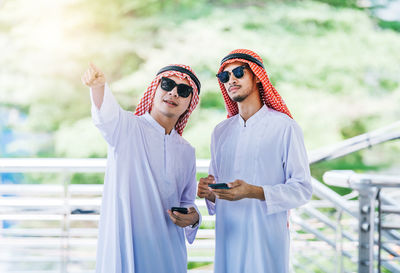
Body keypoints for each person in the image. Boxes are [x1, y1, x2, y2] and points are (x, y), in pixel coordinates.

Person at [197, 49, 312, 273]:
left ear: (257, 76)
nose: (231, 80)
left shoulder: (284, 127)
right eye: (225, 76)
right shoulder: (220, 132)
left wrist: (252, 191)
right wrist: (209, 192)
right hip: (228, 239)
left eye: (239, 72)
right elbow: (218, 190)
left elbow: (302, 189)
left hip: (266, 241)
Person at [81, 63, 202, 273]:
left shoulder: (186, 151)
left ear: (189, 104)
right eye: (167, 84)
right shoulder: (126, 127)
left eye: (183, 91)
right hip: (127, 251)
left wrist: (193, 218)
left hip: (169, 254)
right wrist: (98, 87)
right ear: (155, 89)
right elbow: (105, 113)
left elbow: (187, 202)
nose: (173, 92)